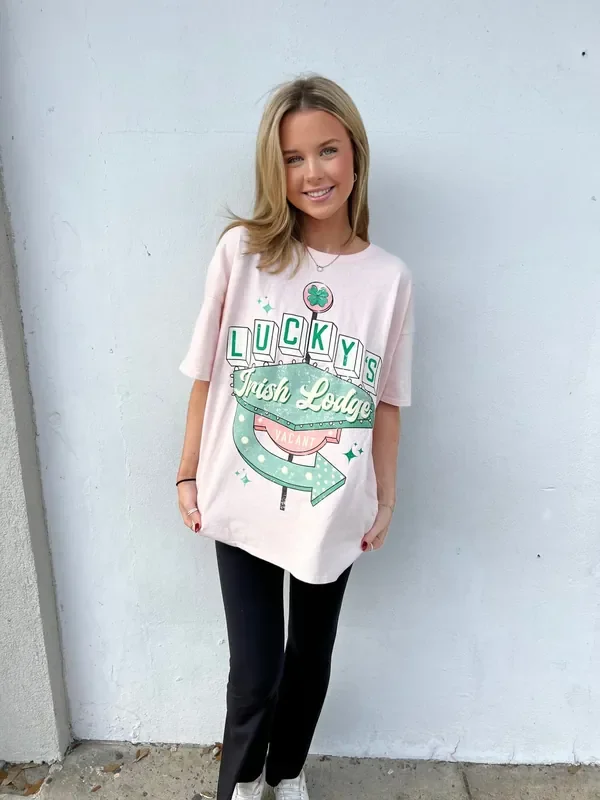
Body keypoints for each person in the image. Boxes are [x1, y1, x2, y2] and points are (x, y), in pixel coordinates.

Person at [176, 74, 414, 800]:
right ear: (273, 169)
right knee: (256, 671)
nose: (313, 172)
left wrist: (386, 497)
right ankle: (245, 779)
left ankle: (286, 771)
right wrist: (186, 473)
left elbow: (387, 400)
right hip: (241, 489)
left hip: (334, 497)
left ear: (356, 154)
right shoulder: (242, 254)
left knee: (309, 660)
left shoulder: (389, 279)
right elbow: (206, 373)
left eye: (328, 150)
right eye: (292, 158)